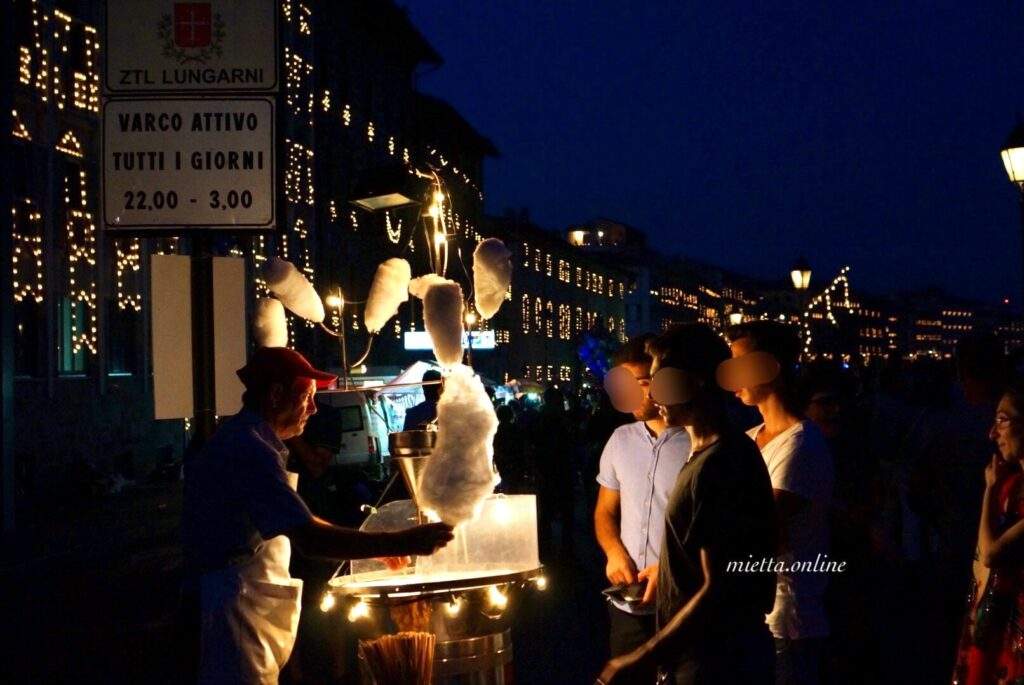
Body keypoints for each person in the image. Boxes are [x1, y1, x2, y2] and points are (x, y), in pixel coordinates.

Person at [183, 346, 453, 684]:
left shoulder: (254, 443)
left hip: (245, 604)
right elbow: (308, 536)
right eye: (307, 397)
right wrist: (400, 541)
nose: (313, 409)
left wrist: (384, 548)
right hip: (234, 612)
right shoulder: (248, 449)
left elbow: (298, 520)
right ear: (276, 395)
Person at [597, 323, 777, 685]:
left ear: (693, 382)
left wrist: (643, 656)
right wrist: (669, 572)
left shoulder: (722, 463)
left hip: (718, 659)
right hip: (699, 653)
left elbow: (719, 586)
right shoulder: (709, 455)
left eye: (657, 381)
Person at [724, 321, 834, 685]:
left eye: (740, 363)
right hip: (756, 609)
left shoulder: (802, 444)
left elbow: (758, 523)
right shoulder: (749, 437)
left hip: (789, 615)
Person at [595, 334, 691, 678]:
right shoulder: (620, 440)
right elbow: (605, 511)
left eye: (644, 382)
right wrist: (613, 552)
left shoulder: (697, 442)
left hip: (683, 601)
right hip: (629, 601)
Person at [952, 383, 1024, 684]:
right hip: (997, 620)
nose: (992, 434)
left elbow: (991, 552)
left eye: (1002, 420)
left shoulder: (1003, 486)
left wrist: (989, 490)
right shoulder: (1013, 484)